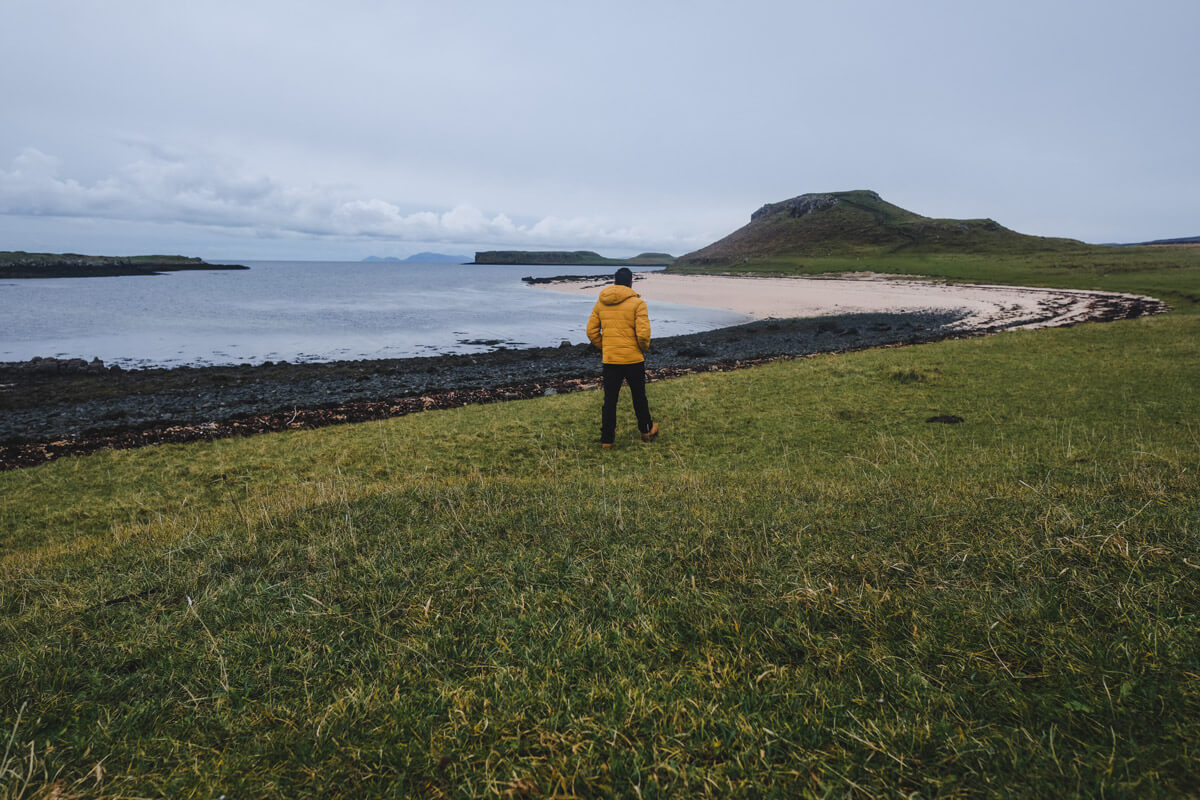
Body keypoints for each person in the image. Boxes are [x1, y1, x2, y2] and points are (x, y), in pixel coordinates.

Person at [586, 267, 659, 449]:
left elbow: (591, 331)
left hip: (611, 360)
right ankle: (646, 431)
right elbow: (643, 335)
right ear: (631, 283)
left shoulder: (601, 302)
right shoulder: (638, 303)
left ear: (614, 283)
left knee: (610, 400)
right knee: (639, 397)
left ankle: (607, 441)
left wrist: (605, 346)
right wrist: (641, 349)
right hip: (633, 359)